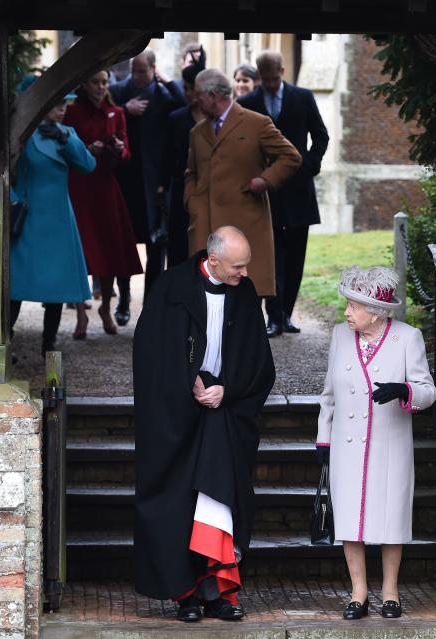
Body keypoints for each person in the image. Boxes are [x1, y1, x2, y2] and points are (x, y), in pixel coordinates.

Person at [133, 226, 275, 622]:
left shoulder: (244, 294)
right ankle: (186, 595)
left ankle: (217, 592)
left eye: (246, 266)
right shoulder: (172, 287)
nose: (244, 274)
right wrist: (189, 378)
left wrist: (227, 391)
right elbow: (151, 350)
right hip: (178, 411)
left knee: (218, 498)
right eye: (237, 266)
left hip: (225, 412)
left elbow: (258, 360)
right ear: (213, 259)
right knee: (179, 501)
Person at [315, 266, 436, 620]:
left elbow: (429, 391)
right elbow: (328, 394)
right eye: (348, 306)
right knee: (350, 518)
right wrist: (324, 440)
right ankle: (358, 592)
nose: (346, 313)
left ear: (376, 311)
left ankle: (391, 592)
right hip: (346, 445)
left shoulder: (407, 338)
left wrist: (406, 390)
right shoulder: (340, 335)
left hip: (390, 443)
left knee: (390, 518)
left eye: (353, 307)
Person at [185, 68, 302, 298]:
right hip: (206, 225)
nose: (194, 99)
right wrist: (192, 201)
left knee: (246, 291)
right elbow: (191, 173)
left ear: (214, 95)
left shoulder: (256, 123)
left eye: (199, 94)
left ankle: (246, 333)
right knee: (206, 291)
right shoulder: (197, 132)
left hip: (245, 221)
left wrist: (265, 180)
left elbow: (291, 157)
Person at [238, 51, 329, 337]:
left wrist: (310, 165)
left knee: (296, 255)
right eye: (265, 80)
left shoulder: (302, 98)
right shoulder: (247, 103)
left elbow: (321, 135)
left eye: (275, 79)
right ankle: (274, 315)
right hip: (266, 190)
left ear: (283, 71)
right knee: (270, 254)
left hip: (299, 188)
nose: (271, 84)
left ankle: (287, 312)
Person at [9, 85, 96, 352]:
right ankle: (4, 340)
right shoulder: (22, 133)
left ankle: (49, 342)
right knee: (17, 284)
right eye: (57, 103)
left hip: (59, 219)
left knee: (57, 286)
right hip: (30, 215)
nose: (63, 109)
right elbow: (5, 169)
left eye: (65, 104)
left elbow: (88, 165)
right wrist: (12, 197)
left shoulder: (66, 133)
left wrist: (64, 138)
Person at [64, 69, 144, 334]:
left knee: (110, 251)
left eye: (104, 82)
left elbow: (127, 153)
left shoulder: (116, 112)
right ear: (84, 84)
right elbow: (65, 148)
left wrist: (119, 149)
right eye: (95, 81)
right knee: (80, 251)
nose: (100, 86)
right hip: (79, 187)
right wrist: (85, 150)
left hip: (106, 187)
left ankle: (106, 308)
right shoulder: (73, 111)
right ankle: (80, 315)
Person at [110, 50, 186, 322]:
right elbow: (104, 110)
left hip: (156, 183)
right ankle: (124, 298)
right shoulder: (118, 92)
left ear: (153, 69)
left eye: (143, 71)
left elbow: (184, 104)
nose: (137, 76)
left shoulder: (164, 95)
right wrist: (124, 111)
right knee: (123, 242)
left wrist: (165, 81)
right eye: (135, 70)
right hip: (125, 179)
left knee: (158, 243)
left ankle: (151, 304)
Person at [161, 64, 203, 267]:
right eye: (184, 87)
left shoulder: (217, 119)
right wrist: (162, 188)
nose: (187, 93)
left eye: (191, 87)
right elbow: (166, 157)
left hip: (210, 191)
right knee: (178, 246)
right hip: (181, 190)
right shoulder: (176, 118)